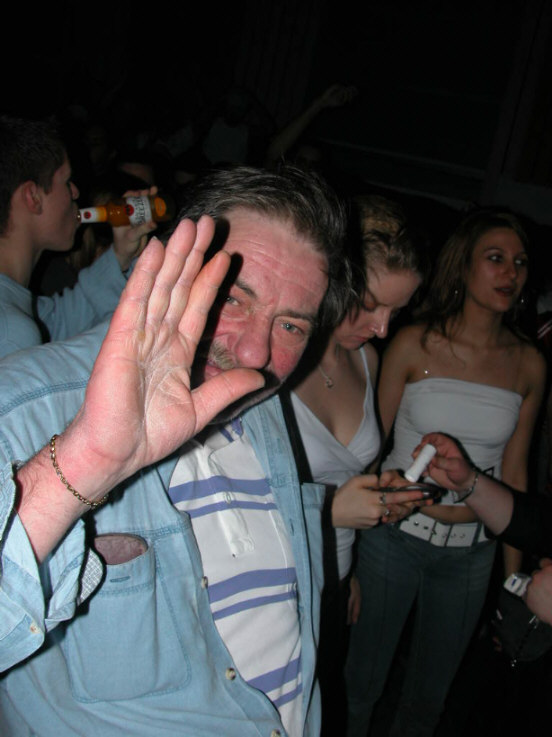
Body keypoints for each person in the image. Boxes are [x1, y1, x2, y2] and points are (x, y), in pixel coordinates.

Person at [0, 164, 355, 737]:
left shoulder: (262, 406)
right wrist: (84, 463)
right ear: (164, 264)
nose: (255, 352)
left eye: (291, 326)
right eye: (232, 299)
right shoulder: (19, 406)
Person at [345, 208, 546, 736]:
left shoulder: (529, 362)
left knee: (428, 701)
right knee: (361, 685)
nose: (511, 272)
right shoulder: (413, 342)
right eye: (496, 258)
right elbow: (369, 448)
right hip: (393, 538)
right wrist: (347, 550)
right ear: (464, 265)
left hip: (471, 553)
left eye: (520, 262)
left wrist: (513, 580)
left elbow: (515, 473)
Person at [285, 195, 430, 733]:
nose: (383, 328)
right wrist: (329, 512)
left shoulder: (367, 359)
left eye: (396, 311)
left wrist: (351, 568)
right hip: (278, 585)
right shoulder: (276, 358)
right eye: (369, 305)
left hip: (335, 580)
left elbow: (347, 479)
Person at [0, 114, 156, 358]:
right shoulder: (11, 332)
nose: (75, 193)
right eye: (67, 182)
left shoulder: (17, 308)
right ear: (33, 197)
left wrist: (121, 254)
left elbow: (58, 322)